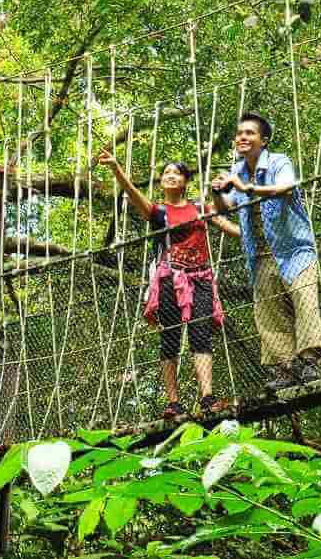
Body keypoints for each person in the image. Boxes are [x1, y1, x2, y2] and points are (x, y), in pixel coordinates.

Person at [98, 152, 240, 420]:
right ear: (162, 182)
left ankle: (207, 396)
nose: (170, 176)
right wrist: (117, 168)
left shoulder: (200, 208)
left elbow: (229, 225)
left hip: (200, 278)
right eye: (166, 173)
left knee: (200, 333)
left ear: (186, 180)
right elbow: (130, 191)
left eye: (176, 172)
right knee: (171, 337)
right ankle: (173, 402)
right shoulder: (158, 212)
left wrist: (254, 222)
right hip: (169, 279)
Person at [210, 112, 321, 390]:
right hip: (260, 255)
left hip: (295, 249)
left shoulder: (278, 161)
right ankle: (286, 368)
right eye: (239, 133)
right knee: (268, 312)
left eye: (249, 133)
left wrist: (247, 187)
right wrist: (216, 192)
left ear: (264, 140)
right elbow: (225, 208)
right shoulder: (236, 171)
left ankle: (309, 362)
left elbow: (287, 188)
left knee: (304, 299)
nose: (242, 137)